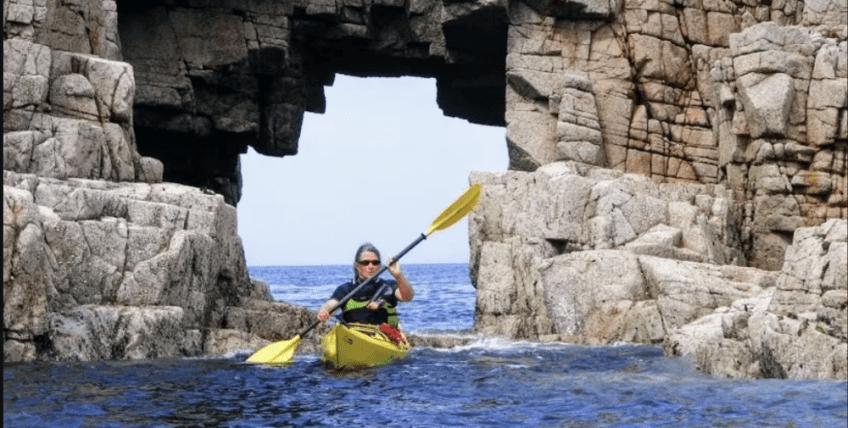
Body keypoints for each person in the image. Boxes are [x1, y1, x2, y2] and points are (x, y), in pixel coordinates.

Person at [317, 243, 414, 328]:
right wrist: (325, 311)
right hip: (353, 335)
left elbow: (406, 297)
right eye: (365, 263)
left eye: (375, 263)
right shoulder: (345, 289)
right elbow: (332, 303)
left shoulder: (388, 286)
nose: (370, 266)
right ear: (357, 266)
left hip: (384, 336)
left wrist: (398, 275)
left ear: (379, 266)